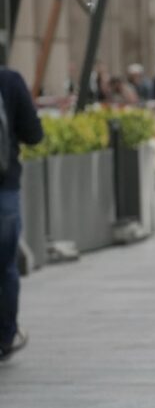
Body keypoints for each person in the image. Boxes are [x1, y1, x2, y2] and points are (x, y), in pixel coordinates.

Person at [0, 68, 43, 360]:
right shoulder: (10, 81)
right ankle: (5, 337)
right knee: (5, 267)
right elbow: (34, 135)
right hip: (4, 188)